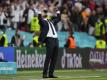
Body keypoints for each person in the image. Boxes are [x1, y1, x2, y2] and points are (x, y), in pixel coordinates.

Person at [38, 9, 61, 78]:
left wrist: (58, 12)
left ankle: (51, 73)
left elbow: (58, 19)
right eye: (45, 15)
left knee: (54, 58)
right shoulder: (43, 21)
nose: (47, 16)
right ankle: (45, 73)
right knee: (48, 57)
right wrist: (39, 13)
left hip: (56, 39)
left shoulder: (52, 21)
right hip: (49, 39)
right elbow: (39, 19)